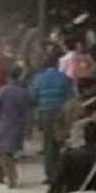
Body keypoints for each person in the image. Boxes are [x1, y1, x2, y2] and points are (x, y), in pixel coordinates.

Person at [31, 55, 75, 184]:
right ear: (57, 64)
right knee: (62, 143)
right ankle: (63, 174)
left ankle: (50, 175)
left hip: (45, 113)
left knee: (49, 144)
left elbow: (33, 97)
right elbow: (70, 97)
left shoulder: (38, 78)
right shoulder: (64, 78)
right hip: (61, 114)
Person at [0, 66, 30, 188]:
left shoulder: (3, 90)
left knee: (3, 151)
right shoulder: (24, 92)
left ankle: (10, 177)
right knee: (9, 152)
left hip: (4, 123)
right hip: (18, 125)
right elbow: (27, 111)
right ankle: (3, 175)